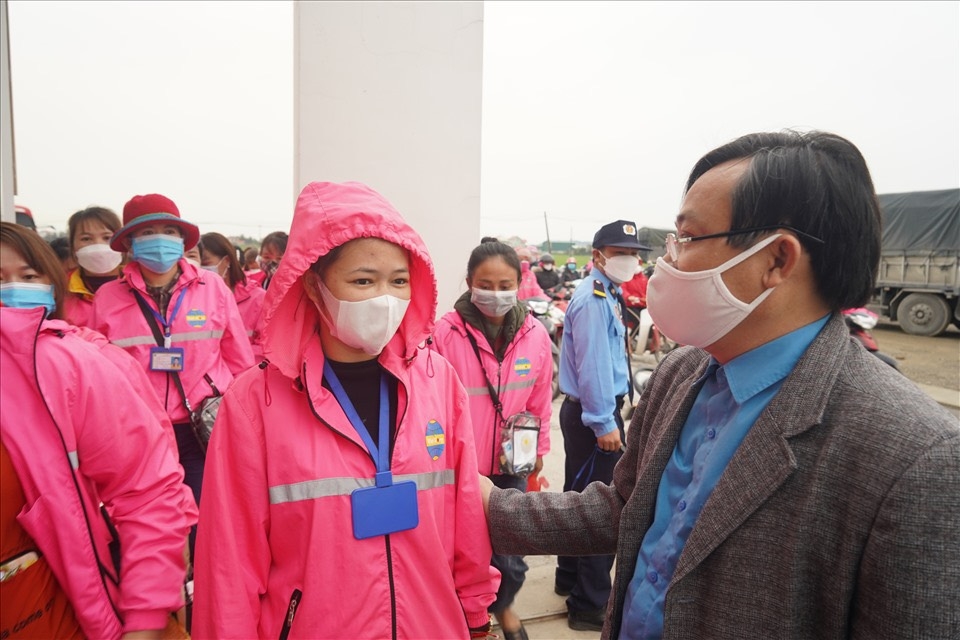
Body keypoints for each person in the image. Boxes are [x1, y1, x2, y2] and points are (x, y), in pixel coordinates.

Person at [483, 130, 960, 639]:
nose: (666, 261)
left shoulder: (914, 456)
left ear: (777, 259)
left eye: (687, 239)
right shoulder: (682, 372)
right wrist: (490, 505)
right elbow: (627, 507)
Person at [193, 181, 499, 639]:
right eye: (363, 281)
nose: (385, 299)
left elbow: (466, 513)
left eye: (399, 281)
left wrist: (475, 611)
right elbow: (229, 561)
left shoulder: (438, 380)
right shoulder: (255, 402)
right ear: (313, 285)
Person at [1, 222, 197, 640]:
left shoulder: (72, 360)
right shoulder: (106, 301)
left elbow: (147, 490)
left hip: (188, 427)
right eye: (85, 239)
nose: (13, 289)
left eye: (28, 276)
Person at [92, 194, 255, 559]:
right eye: (147, 231)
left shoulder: (212, 289)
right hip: (140, 433)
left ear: (182, 240)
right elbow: (99, 374)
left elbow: (240, 361)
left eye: (169, 230)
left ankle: (199, 585)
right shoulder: (107, 298)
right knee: (149, 526)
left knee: (205, 521)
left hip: (202, 429)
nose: (160, 239)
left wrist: (244, 420)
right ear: (130, 243)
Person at [433, 239, 553, 640]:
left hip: (511, 460)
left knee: (511, 553)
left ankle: (503, 605)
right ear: (469, 282)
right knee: (462, 549)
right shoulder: (444, 333)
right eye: (486, 285)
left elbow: (539, 398)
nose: (496, 294)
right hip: (458, 464)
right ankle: (467, 616)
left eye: (505, 285)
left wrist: (538, 449)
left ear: (519, 283)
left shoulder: (535, 334)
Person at [544, 219, 642, 631]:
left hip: (589, 412)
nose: (630, 260)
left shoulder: (608, 293)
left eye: (633, 254)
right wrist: (604, 423)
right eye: (621, 253)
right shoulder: (594, 299)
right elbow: (595, 368)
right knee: (601, 510)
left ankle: (569, 578)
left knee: (578, 499)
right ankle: (589, 604)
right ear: (598, 255)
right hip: (594, 415)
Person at [200, 231, 266, 359]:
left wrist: (229, 358)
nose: (201, 269)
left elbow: (267, 348)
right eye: (198, 264)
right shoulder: (192, 300)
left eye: (206, 264)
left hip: (247, 370)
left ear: (227, 261)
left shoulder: (258, 299)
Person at [63, 206, 125, 328]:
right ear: (73, 246)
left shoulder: (141, 286)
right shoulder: (60, 291)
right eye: (86, 239)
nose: (98, 245)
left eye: (107, 238)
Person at [620, 266, 648, 353]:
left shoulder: (643, 278)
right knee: (639, 322)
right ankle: (629, 341)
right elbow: (623, 290)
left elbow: (648, 290)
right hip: (630, 306)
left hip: (642, 305)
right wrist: (628, 297)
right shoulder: (626, 277)